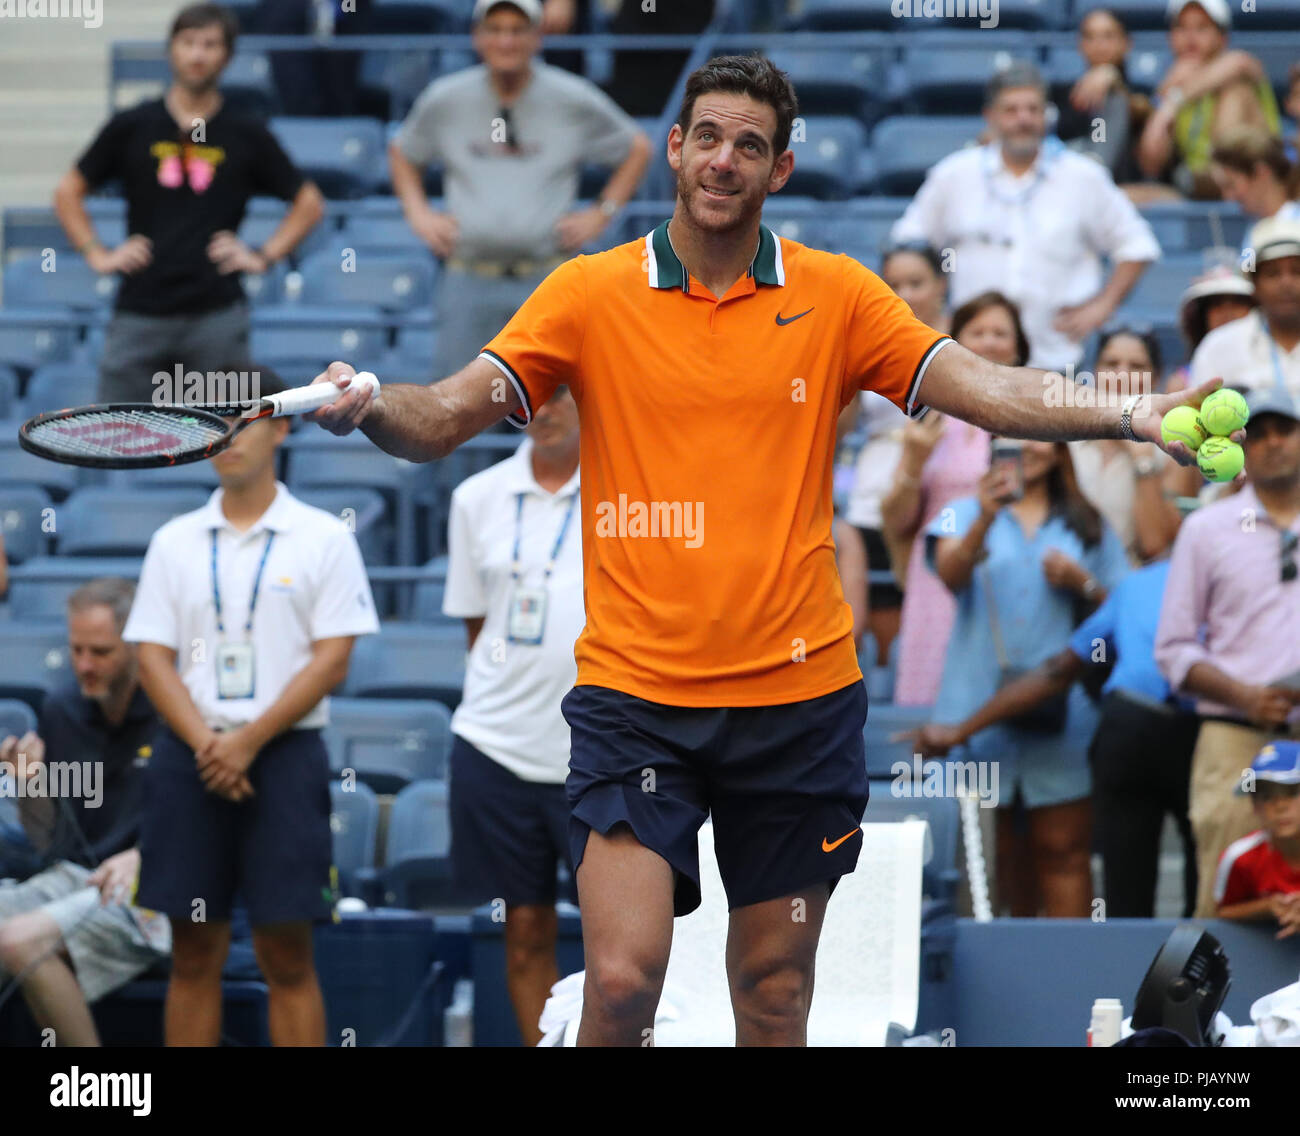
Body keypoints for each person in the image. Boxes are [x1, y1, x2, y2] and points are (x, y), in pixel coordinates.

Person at [306, 55, 1226, 1047]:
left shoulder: (835, 295)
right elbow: (441, 415)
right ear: (674, 146)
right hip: (636, 697)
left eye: (750, 144)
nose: (723, 159)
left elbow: (983, 384)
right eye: (707, 135)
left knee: (776, 986)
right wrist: (369, 405)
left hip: (796, 701)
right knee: (619, 980)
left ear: (779, 168)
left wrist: (1130, 411)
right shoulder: (587, 294)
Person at [122, 366, 378, 1047]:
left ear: (282, 426)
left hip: (285, 756)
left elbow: (333, 658)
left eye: (245, 417)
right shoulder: (173, 541)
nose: (228, 433)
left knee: (287, 958)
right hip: (190, 759)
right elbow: (151, 657)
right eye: (215, 420)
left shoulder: (324, 536)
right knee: (193, 956)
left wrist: (246, 742)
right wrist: (213, 743)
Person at [908, 541, 1201, 919]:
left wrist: (961, 730)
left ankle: (1134, 970)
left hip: (1142, 726)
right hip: (1193, 728)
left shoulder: (1139, 584)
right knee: (1206, 880)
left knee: (1129, 894)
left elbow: (1058, 671)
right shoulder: (1187, 582)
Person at [53, 3, 324, 405]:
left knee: (222, 439)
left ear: (228, 56)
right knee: (118, 436)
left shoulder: (246, 131)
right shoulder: (133, 124)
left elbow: (309, 202)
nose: (198, 54)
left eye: (210, 44)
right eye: (189, 42)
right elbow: (67, 192)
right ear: (171, 50)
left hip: (217, 313)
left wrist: (263, 255)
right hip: (138, 311)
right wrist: (97, 253)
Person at [389, 0, 650, 379]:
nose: (506, 41)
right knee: (457, 411)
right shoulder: (446, 98)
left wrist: (602, 213)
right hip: (468, 277)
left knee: (557, 416)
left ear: (537, 37)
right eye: (495, 30)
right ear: (477, 38)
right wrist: (418, 213)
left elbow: (638, 148)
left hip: (547, 279)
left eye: (517, 30)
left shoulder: (571, 96)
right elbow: (401, 151)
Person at [922, 439, 1129, 916]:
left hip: (1063, 711)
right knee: (987, 861)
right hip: (974, 707)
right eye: (1011, 438)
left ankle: (1066, 984)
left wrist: (1084, 582)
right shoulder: (960, 510)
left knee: (1064, 850)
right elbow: (949, 573)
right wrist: (986, 516)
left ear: (1059, 450)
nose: (1026, 447)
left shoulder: (1088, 520)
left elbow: (1122, 610)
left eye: (1038, 434)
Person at [442, 385, 583, 1046]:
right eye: (529, 398)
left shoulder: (633, 489)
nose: (542, 410)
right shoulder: (476, 498)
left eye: (559, 395)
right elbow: (478, 626)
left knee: (629, 946)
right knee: (523, 932)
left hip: (603, 756)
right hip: (496, 748)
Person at [893, 62, 1160, 373]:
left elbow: (1138, 245)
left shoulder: (1083, 176)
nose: (1024, 119)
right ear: (990, 117)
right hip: (971, 364)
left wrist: (1103, 305)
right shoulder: (954, 175)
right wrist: (937, 311)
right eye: (1012, 110)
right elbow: (907, 245)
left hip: (1059, 363)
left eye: (1033, 109)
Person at [0, 579, 170, 1047]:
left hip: (154, 887)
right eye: (76, 650)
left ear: (135, 647)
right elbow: (48, 842)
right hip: (72, 878)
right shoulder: (62, 711)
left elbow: (211, 823)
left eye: (100, 652)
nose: (83, 665)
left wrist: (144, 855)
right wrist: (31, 785)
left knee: (18, 940)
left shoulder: (174, 714)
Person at [1155, 387, 1300, 918]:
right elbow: (1171, 649)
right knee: (1224, 898)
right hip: (1235, 737)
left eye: (1284, 429)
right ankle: (1214, 1007)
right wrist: (1244, 696)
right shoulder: (1206, 529)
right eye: (1257, 433)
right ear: (1239, 447)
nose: (1272, 443)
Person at [881, 292, 1023, 707]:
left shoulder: (1034, 422)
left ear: (1019, 347)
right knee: (934, 710)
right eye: (977, 332)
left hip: (1006, 567)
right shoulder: (928, 416)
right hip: (936, 576)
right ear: (953, 344)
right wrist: (914, 458)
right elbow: (898, 520)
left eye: (1001, 333)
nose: (990, 342)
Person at [843, 242, 950, 661]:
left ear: (941, 286)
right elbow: (841, 424)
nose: (905, 294)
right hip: (877, 491)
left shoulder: (967, 338)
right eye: (893, 284)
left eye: (916, 283)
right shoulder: (866, 342)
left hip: (946, 491)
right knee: (889, 633)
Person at [1137, 0, 1280, 200]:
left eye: (1202, 28)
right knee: (1124, 197)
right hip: (1194, 187)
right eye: (1181, 27)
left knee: (1234, 92)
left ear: (1222, 37)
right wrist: (1162, 102)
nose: (1190, 37)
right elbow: (1151, 165)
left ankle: (1223, 176)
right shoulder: (1172, 85)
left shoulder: (1239, 69)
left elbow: (1240, 63)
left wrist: (1173, 102)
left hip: (1254, 183)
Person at [1069, 327, 1183, 565]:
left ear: (1156, 377)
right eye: (1111, 363)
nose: (1122, 374)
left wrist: (1143, 461)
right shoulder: (1065, 443)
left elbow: (1155, 547)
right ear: (1095, 371)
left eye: (1137, 367)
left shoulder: (1175, 451)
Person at [1190, 217, 1300, 400]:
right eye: (1272, 274)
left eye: (1297, 271)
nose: (1286, 283)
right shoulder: (1219, 346)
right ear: (1254, 284)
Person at [1053, 6, 1148, 184]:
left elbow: (1143, 110)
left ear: (1126, 43)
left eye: (1108, 36)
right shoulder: (1062, 95)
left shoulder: (1141, 91)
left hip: (1122, 190)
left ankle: (1094, 170)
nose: (1099, 45)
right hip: (1068, 184)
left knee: (1113, 100)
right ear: (1080, 44)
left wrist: (1113, 79)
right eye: (1090, 36)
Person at [1215, 741, 1300, 938]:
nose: (1280, 806)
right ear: (1254, 806)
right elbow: (1223, 911)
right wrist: (1268, 906)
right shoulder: (1239, 857)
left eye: (1293, 792)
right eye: (1266, 796)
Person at [1211, 127, 1300, 238]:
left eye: (1231, 185)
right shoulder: (1255, 229)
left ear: (1261, 173)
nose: (1227, 197)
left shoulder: (1295, 227)